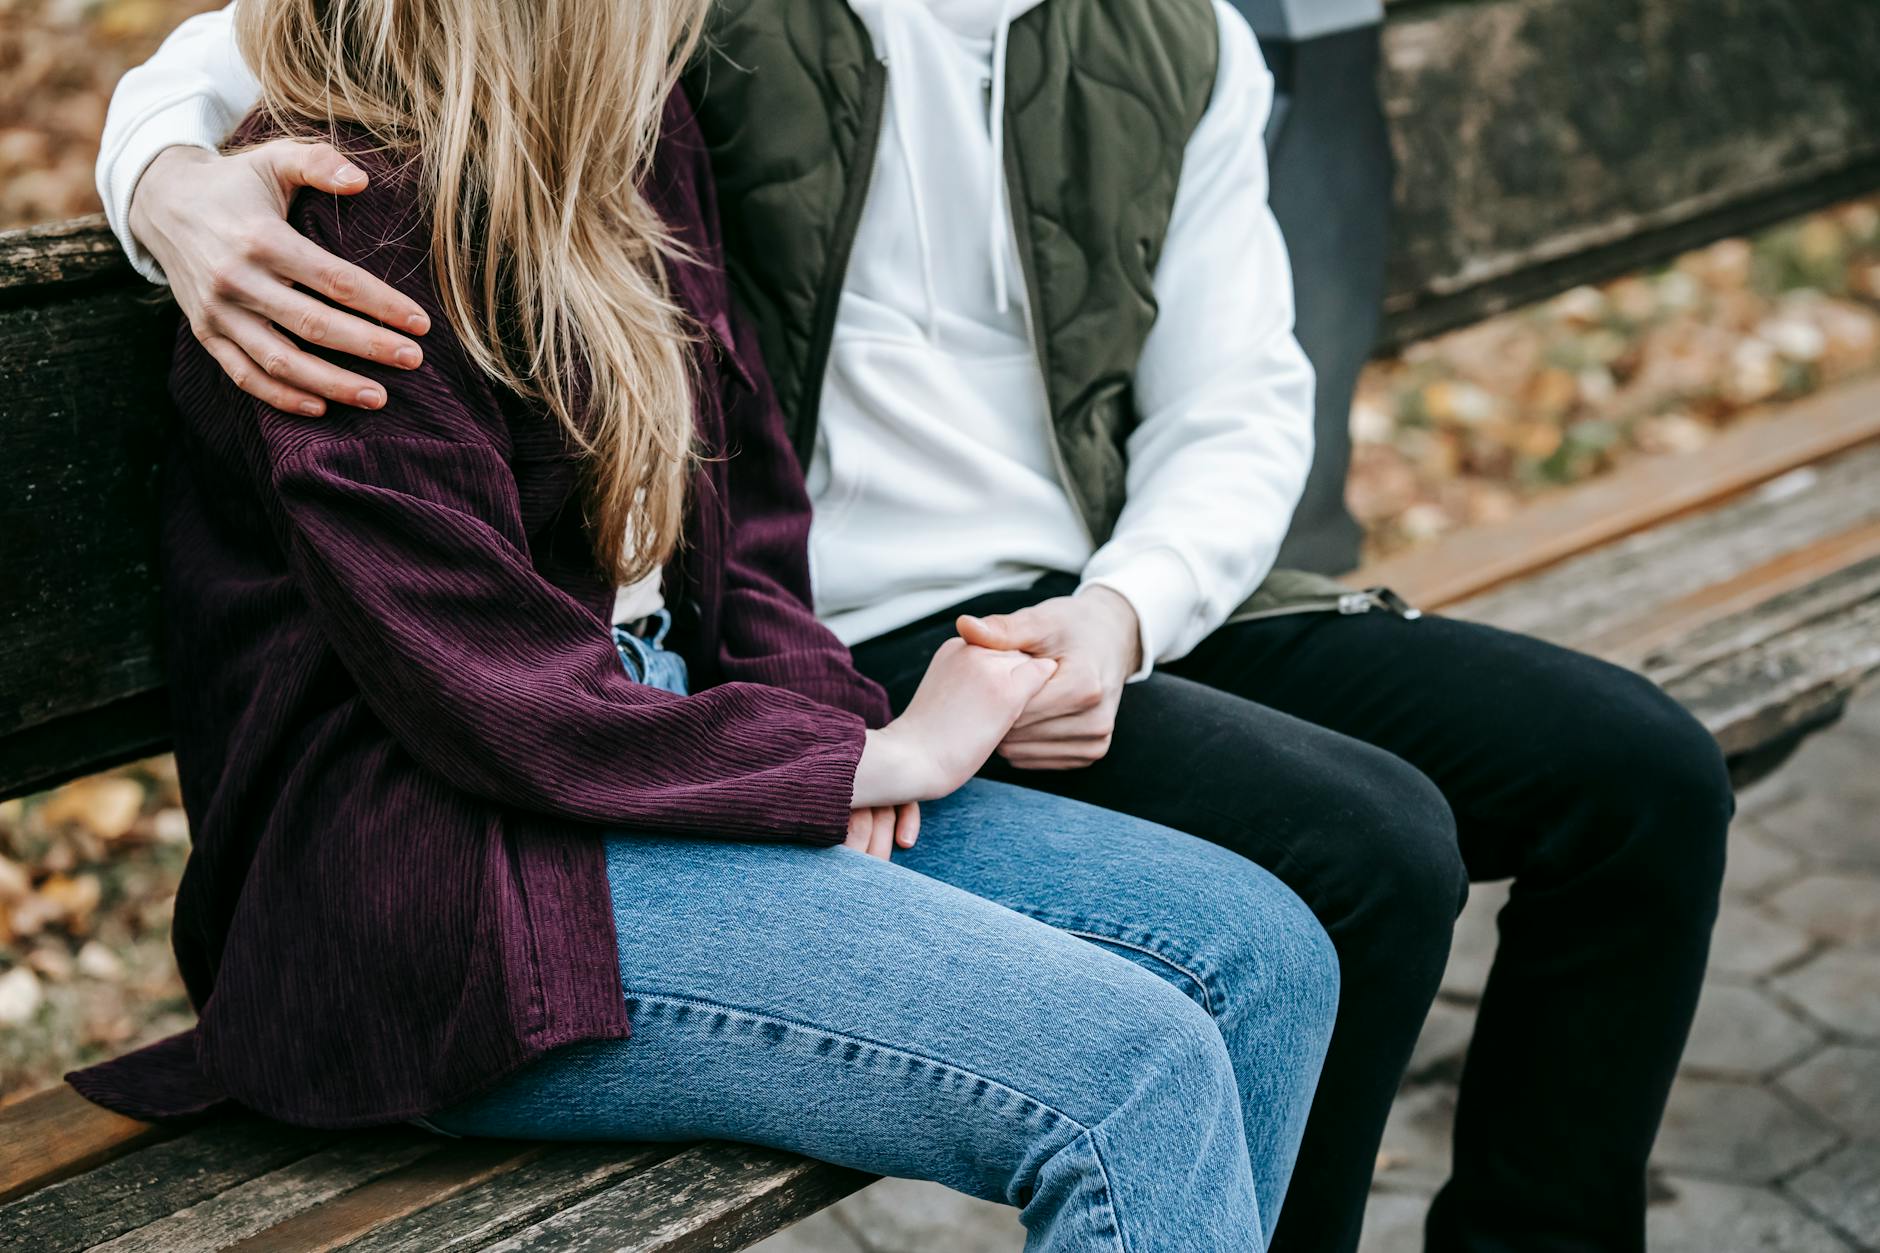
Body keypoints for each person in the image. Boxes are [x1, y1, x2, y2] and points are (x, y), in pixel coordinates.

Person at [96, 0, 1735, 1248]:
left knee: (1274, 947)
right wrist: (164, 179)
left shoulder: (637, 123)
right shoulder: (351, 227)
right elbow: (495, 693)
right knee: (1141, 1064)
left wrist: (1015, 662)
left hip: (775, 706)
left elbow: (751, 517)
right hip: (460, 878)